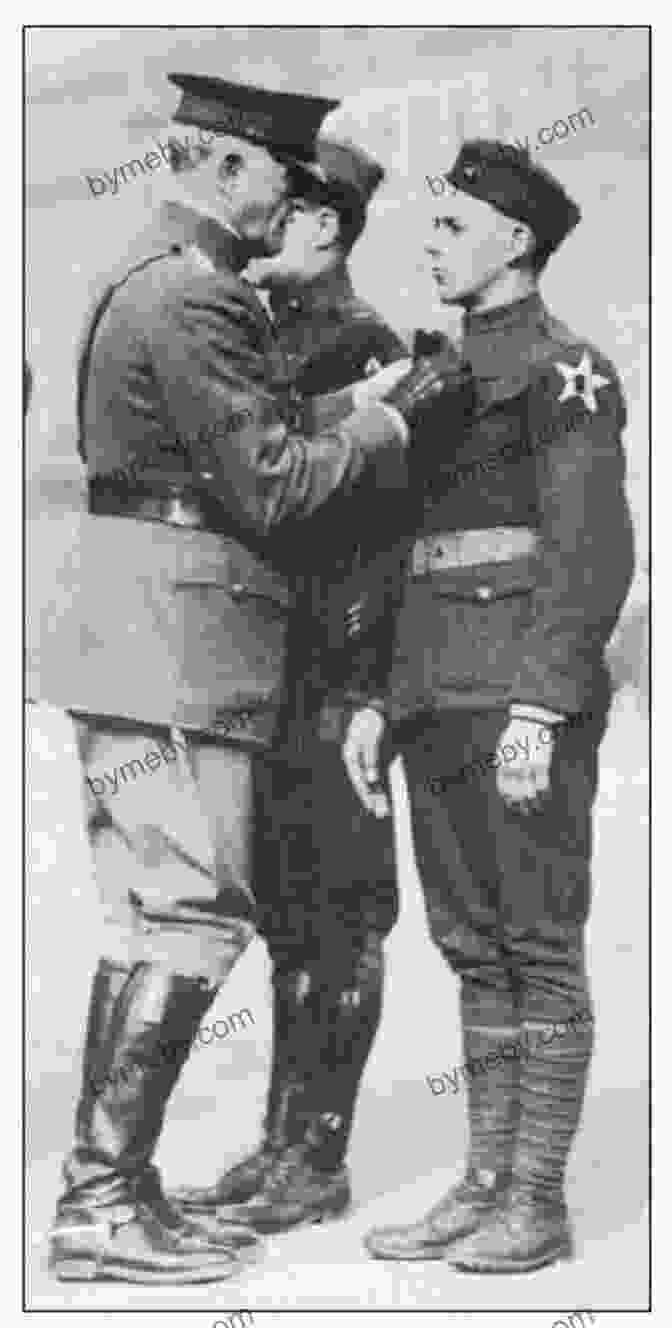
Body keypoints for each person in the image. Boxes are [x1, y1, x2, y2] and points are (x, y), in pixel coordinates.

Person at [37, 72, 456, 1285]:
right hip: (183, 636)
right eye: (279, 175)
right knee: (184, 917)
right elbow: (270, 485)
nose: (289, 203)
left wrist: (340, 400)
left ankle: (116, 1189)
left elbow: (213, 442)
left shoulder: (144, 278)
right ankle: (103, 1200)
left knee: (153, 914)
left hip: (136, 629)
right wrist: (382, 424)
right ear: (223, 167)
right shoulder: (199, 294)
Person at [342, 139, 635, 1273]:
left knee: (539, 946)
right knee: (472, 948)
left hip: (516, 695)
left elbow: (588, 551)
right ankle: (483, 1183)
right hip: (433, 692)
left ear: (516, 241)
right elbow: (398, 552)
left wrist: (541, 706)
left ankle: (537, 1199)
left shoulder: (569, 370)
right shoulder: (434, 372)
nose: (430, 243)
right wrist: (378, 696)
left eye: (453, 226)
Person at [174, 120, 414, 1233]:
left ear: (322, 221)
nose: (262, 223)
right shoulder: (276, 331)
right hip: (278, 676)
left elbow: (377, 542)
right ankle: (283, 1145)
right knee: (291, 920)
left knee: (340, 918)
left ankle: (317, 1157)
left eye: (286, 206)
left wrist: (365, 692)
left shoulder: (361, 347)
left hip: (332, 676)